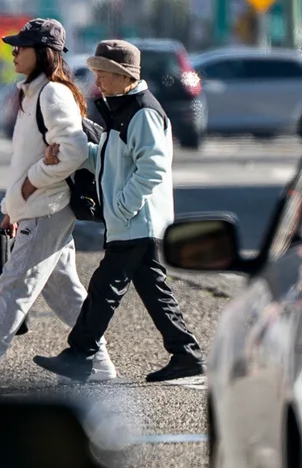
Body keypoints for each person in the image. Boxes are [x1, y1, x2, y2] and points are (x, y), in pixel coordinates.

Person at [0, 18, 116, 387]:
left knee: (13, 287)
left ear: (43, 53)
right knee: (65, 294)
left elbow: (73, 150)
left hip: (46, 207)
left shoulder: (52, 93)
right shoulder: (34, 92)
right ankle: (99, 365)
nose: (14, 52)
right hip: (37, 206)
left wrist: (32, 185)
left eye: (22, 46)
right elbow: (29, 158)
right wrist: (11, 208)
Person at [34, 39, 204, 384]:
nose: (97, 82)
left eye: (103, 74)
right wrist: (74, 154)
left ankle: (79, 355)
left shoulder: (142, 112)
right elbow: (111, 160)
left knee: (104, 288)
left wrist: (123, 206)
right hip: (132, 222)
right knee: (153, 291)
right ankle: (186, 354)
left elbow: (153, 168)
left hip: (136, 222)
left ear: (124, 76)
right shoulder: (123, 108)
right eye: (96, 73)